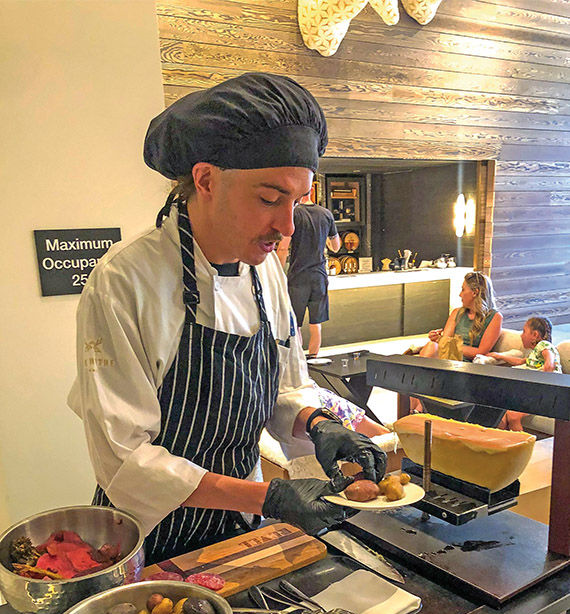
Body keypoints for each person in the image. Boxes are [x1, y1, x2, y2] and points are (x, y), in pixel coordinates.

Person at [68, 72, 386, 563]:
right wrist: (269, 497)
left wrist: (319, 424)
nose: (286, 226)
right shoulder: (124, 282)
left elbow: (280, 387)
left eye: (297, 202)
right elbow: (125, 460)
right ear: (206, 179)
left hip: (240, 525)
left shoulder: (267, 272)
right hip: (148, 536)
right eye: (269, 198)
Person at [409, 271, 503, 412]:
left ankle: (418, 410)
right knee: (430, 347)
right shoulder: (457, 312)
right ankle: (417, 410)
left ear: (475, 292)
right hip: (447, 358)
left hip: (467, 365)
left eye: (463, 289)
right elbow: (442, 343)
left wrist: (448, 343)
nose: (460, 294)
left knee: (426, 362)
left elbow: (481, 352)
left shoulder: (495, 318)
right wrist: (438, 339)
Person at [279, 195, 341, 357]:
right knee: (316, 323)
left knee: (296, 323)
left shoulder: (293, 214)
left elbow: (283, 248)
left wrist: (277, 271)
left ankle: (299, 360)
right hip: (319, 276)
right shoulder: (326, 214)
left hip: (298, 276)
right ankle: (314, 358)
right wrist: (324, 241)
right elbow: (336, 246)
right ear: (311, 193)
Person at [489, 317, 562, 431]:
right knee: (501, 413)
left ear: (535, 335)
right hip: (535, 391)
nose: (521, 335)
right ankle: (500, 442)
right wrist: (499, 356)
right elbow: (520, 361)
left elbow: (550, 364)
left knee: (513, 416)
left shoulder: (544, 345)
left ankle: (522, 446)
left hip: (547, 393)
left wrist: (543, 383)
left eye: (524, 331)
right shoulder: (534, 354)